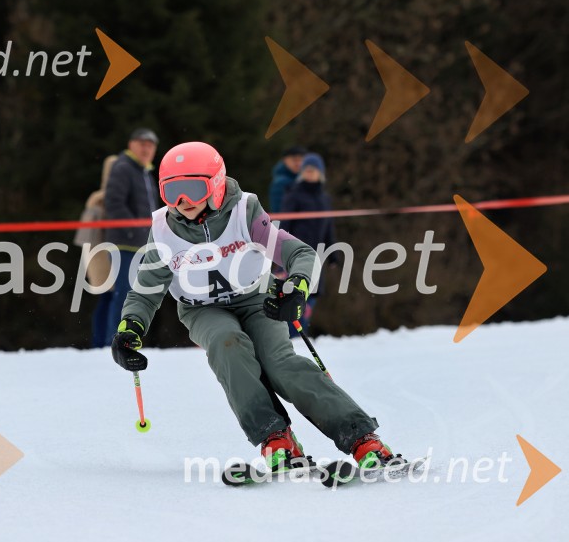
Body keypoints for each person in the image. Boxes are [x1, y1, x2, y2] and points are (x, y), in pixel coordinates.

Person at [110, 141, 397, 472]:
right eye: (171, 191)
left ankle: (362, 439)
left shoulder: (244, 212)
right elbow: (146, 290)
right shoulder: (162, 229)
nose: (182, 202)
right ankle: (276, 439)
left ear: (216, 186)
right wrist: (129, 327)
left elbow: (300, 254)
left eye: (191, 189)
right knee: (226, 344)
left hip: (256, 296)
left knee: (280, 364)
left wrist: (297, 288)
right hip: (202, 309)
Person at [103, 128, 160, 343]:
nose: (146, 148)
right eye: (142, 143)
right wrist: (135, 231)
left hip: (140, 244)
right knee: (124, 295)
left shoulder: (143, 171)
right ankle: (114, 341)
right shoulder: (124, 167)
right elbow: (114, 203)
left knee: (134, 296)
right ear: (131, 144)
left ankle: (123, 339)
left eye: (150, 145)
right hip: (124, 244)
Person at [280, 152, 338, 334]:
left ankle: (298, 335)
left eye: (313, 170)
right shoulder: (293, 195)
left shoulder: (324, 199)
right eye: (307, 170)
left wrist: (333, 255)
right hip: (295, 255)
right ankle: (289, 337)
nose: (309, 173)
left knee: (311, 296)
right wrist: (280, 254)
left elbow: (328, 229)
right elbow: (284, 226)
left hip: (316, 257)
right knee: (294, 297)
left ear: (320, 173)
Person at [74, 155, 118, 348]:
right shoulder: (103, 200)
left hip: (102, 255)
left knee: (108, 299)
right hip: (103, 256)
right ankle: (103, 341)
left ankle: (102, 341)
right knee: (110, 299)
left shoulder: (99, 198)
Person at [268, 145, 306, 213]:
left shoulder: (303, 179)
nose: (298, 163)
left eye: (301, 160)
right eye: (294, 160)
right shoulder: (280, 183)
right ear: (285, 160)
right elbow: (278, 210)